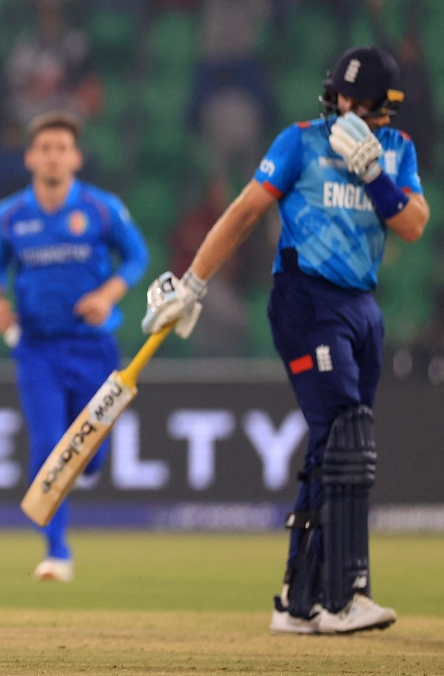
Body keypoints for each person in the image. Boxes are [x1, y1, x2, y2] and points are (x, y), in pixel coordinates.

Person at [141, 46, 429, 635]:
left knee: (338, 445)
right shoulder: (301, 140)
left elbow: (413, 224)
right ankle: (346, 596)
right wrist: (194, 283)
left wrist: (376, 177)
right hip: (305, 299)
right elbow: (245, 210)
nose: (345, 108)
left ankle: (299, 602)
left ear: (385, 106)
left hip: (361, 306)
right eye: (340, 97)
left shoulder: (397, 153)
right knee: (346, 429)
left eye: (359, 101)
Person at [0, 111, 148, 583]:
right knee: (47, 447)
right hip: (37, 349)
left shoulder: (100, 208)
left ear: (75, 157)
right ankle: (56, 551)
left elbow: (136, 256)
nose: (53, 156)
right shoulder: (10, 214)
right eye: (45, 148)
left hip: (94, 349)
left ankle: (87, 470)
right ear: (31, 157)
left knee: (90, 455)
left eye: (62, 148)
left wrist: (107, 295)